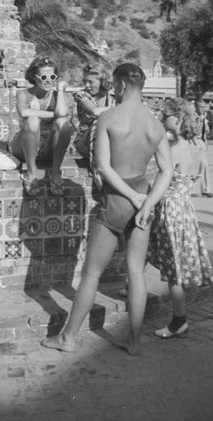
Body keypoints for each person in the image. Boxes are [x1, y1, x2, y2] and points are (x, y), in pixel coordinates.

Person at [41, 63, 173, 356]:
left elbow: (103, 166)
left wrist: (129, 197)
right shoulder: (155, 124)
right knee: (136, 273)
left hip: (117, 198)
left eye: (114, 84)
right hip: (143, 197)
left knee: (91, 274)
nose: (112, 89)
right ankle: (134, 341)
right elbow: (167, 171)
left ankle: (68, 338)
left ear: (123, 85)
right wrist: (146, 201)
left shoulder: (110, 118)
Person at [148, 98, 213, 339]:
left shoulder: (174, 149)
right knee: (171, 260)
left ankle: (179, 320)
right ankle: (131, 287)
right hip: (185, 207)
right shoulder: (196, 145)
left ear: (176, 119)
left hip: (170, 208)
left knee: (173, 268)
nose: (161, 119)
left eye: (164, 116)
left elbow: (160, 182)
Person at [10, 56, 71, 196]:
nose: (48, 80)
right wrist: (53, 115)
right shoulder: (24, 94)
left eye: (53, 76)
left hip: (46, 147)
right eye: (43, 76)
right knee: (32, 121)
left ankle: (55, 173)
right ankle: (31, 174)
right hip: (25, 146)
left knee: (63, 123)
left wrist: (61, 90)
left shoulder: (57, 95)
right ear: (34, 76)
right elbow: (23, 111)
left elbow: (62, 114)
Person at [73, 64, 116, 178]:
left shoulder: (113, 97)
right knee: (99, 123)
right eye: (85, 82)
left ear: (103, 81)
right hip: (85, 142)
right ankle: (98, 171)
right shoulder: (81, 95)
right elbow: (95, 111)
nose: (86, 86)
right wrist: (121, 108)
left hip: (108, 143)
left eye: (90, 82)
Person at [188, 99, 213, 198]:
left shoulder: (203, 117)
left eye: (204, 107)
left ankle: (206, 189)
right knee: (195, 167)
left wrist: (205, 141)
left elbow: (204, 131)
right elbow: (192, 131)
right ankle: (192, 189)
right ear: (196, 107)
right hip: (194, 142)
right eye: (201, 107)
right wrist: (196, 143)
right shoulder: (192, 117)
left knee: (205, 166)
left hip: (201, 142)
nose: (203, 109)